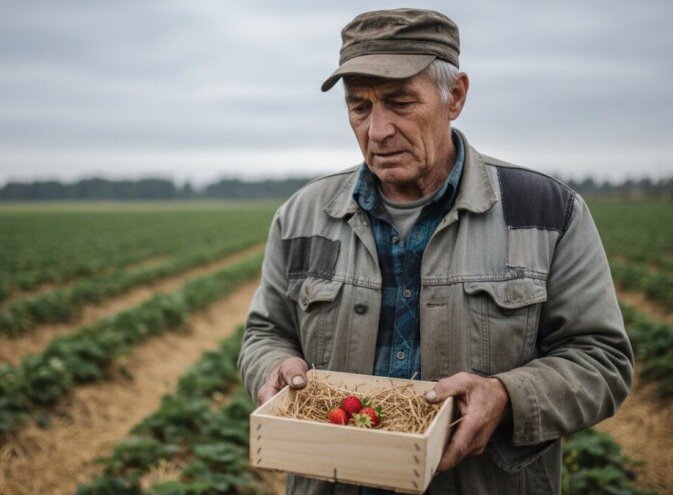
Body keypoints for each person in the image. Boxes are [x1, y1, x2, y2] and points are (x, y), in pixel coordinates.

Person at [238, 8, 633, 495]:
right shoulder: (302, 216)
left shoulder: (547, 213)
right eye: (359, 107)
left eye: (400, 102)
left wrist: (506, 395)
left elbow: (602, 360)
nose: (377, 130)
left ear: (456, 96)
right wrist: (273, 369)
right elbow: (265, 333)